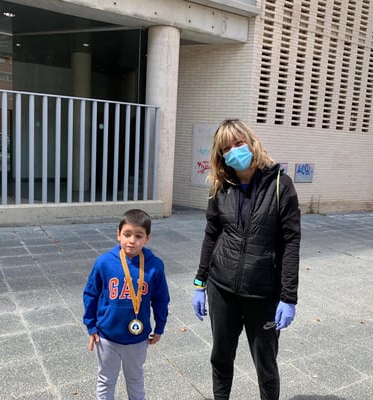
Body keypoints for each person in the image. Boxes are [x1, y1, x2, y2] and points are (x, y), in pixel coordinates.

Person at [192, 118, 301, 400]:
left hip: (263, 294)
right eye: (226, 148)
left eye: (238, 143)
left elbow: (291, 241)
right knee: (221, 357)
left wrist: (288, 297)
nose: (234, 151)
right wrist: (200, 283)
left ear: (251, 143)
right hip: (222, 288)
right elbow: (211, 234)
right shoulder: (220, 187)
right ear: (221, 155)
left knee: (266, 364)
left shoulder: (280, 185)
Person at [83, 209, 170, 400]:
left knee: (136, 380)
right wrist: (91, 326)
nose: (132, 241)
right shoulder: (104, 263)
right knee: (106, 380)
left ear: (147, 238)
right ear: (118, 234)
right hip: (107, 337)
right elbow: (91, 294)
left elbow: (161, 299)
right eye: (127, 234)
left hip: (137, 339)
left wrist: (160, 327)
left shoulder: (154, 266)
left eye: (138, 236)